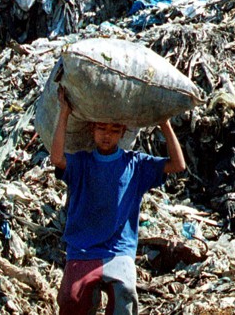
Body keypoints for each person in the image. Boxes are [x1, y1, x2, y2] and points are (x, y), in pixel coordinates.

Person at [50, 88, 186, 315]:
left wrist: (164, 123)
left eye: (114, 130)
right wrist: (64, 112)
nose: (107, 135)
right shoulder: (82, 163)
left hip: (119, 250)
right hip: (82, 249)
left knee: (125, 293)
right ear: (92, 129)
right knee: (71, 300)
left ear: (123, 132)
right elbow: (56, 158)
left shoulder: (137, 165)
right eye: (101, 127)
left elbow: (178, 165)